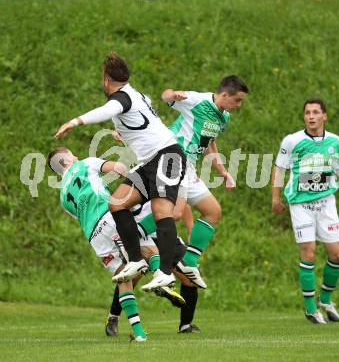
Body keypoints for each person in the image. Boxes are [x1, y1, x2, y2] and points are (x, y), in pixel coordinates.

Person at [54, 52, 187, 292]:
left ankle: (165, 273)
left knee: (161, 212)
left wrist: (75, 122)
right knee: (117, 204)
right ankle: (135, 260)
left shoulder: (122, 98)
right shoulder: (137, 95)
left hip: (167, 155)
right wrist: (123, 133)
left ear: (106, 79)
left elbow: (107, 111)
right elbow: (144, 122)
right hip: (150, 161)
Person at [135, 76, 248, 288]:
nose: (239, 105)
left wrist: (223, 172)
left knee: (213, 211)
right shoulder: (197, 101)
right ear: (225, 95)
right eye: (237, 100)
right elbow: (166, 95)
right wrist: (172, 94)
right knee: (176, 213)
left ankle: (188, 261)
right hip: (174, 160)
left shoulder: (224, 117)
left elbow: (209, 142)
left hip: (190, 167)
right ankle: (132, 234)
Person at [272, 99, 339, 324]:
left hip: (326, 203)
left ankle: (326, 300)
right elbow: (279, 168)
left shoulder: (335, 141)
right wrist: (275, 197)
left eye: (315, 112)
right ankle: (311, 308)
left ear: (324, 116)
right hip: (301, 204)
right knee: (308, 252)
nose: (311, 116)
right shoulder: (292, 141)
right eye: (307, 113)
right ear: (304, 117)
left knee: (337, 254)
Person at [47, 147, 149, 341]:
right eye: (71, 152)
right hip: (111, 217)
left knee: (123, 275)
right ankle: (164, 276)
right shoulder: (85, 163)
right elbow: (118, 168)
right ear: (66, 158)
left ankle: (137, 332)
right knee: (146, 253)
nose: (75, 155)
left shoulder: (62, 197)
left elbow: (80, 213)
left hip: (94, 235)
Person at [106, 201, 201, 336]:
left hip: (166, 236)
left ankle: (185, 325)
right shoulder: (136, 186)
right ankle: (112, 318)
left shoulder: (173, 183)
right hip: (141, 237)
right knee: (131, 277)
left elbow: (182, 205)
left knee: (190, 274)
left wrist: (191, 230)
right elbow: (119, 208)